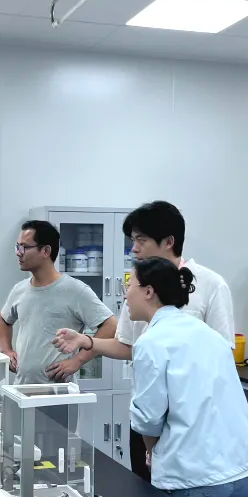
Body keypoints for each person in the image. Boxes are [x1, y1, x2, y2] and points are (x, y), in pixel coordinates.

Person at [55, 258, 248, 497]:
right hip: (241, 473)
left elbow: (148, 418)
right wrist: (86, 340)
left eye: (129, 285)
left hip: (193, 478)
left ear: (149, 291)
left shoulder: (151, 342)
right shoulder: (209, 335)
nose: (125, 294)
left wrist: (152, 453)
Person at [53, 201, 236, 481]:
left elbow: (222, 355)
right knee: (145, 492)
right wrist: (86, 341)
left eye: (141, 240)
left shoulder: (210, 285)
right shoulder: (138, 286)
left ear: (168, 242)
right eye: (132, 241)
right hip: (147, 415)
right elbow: (127, 345)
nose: (133, 249)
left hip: (192, 420)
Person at [0, 219, 116, 384]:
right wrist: (6, 350)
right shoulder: (20, 289)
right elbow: (3, 320)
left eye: (24, 247)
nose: (18, 252)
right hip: (23, 388)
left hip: (59, 391)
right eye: (17, 247)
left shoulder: (75, 290)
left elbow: (110, 326)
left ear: (45, 251)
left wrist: (78, 360)